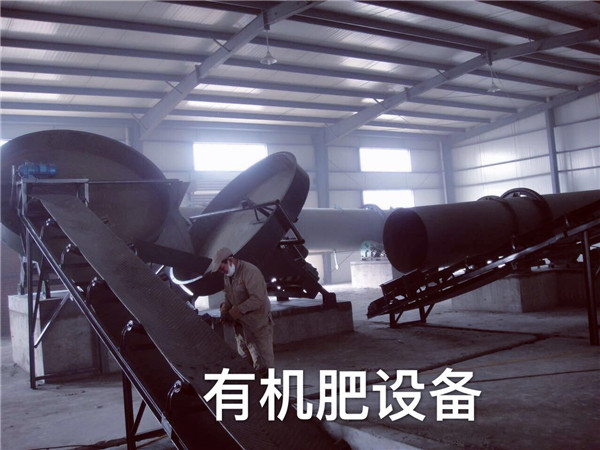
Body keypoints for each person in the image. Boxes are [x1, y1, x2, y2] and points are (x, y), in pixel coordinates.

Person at [210, 247, 274, 375]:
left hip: (257, 326)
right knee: (245, 362)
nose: (222, 272)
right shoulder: (228, 275)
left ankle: (269, 385)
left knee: (263, 364)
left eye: (222, 268)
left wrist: (234, 312)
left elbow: (257, 299)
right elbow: (228, 296)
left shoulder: (250, 272)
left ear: (230, 260)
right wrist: (224, 310)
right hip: (241, 327)